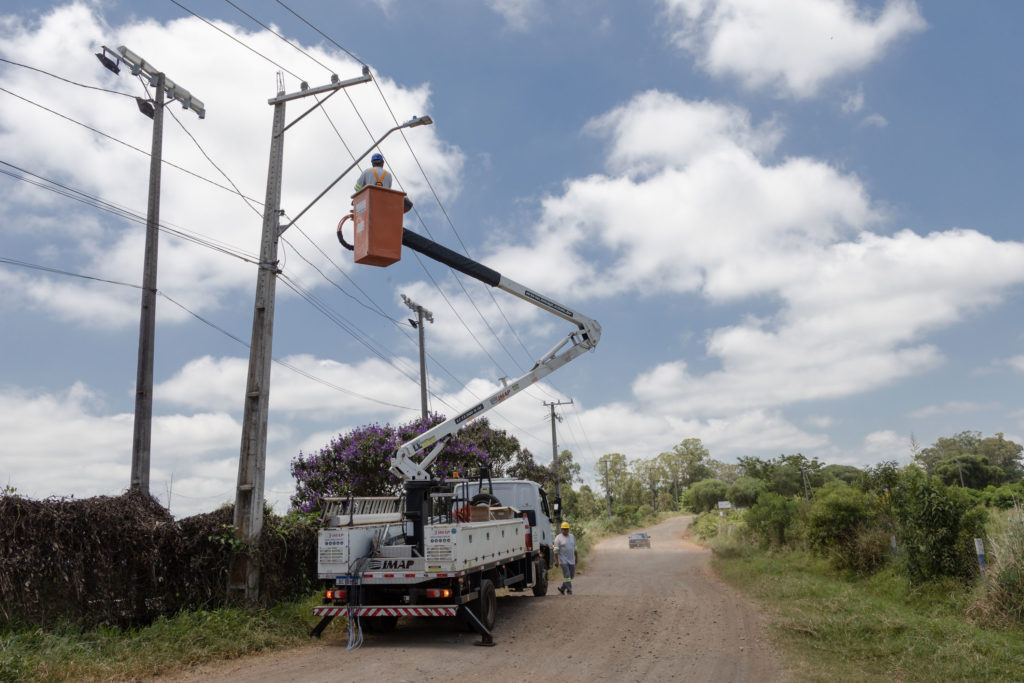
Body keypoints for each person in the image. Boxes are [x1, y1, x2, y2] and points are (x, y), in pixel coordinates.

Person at [552, 521, 577, 595]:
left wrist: (577, 557)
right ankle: (569, 591)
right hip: (563, 560)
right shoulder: (558, 538)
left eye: (566, 529)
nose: (564, 530)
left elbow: (575, 547)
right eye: (563, 529)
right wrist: (556, 561)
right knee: (567, 576)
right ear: (561, 529)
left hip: (571, 559)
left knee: (571, 576)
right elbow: (555, 550)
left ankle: (562, 588)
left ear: (568, 529)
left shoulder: (572, 536)